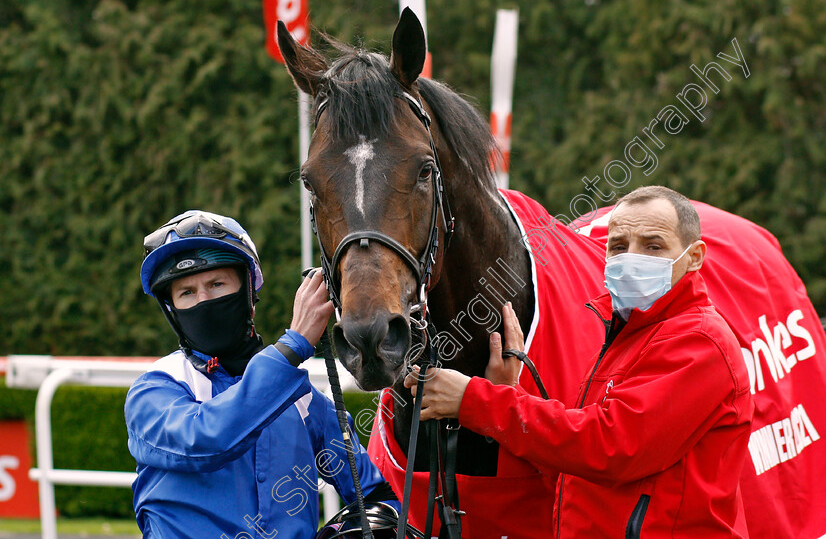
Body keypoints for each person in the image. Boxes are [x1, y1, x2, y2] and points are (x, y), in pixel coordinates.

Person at [406, 186, 754, 538]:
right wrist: (507, 393)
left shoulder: (700, 341)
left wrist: (476, 401)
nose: (631, 258)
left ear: (694, 257)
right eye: (618, 246)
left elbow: (610, 447)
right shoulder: (625, 334)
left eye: (653, 246)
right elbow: (572, 463)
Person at [126, 210, 400, 539]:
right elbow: (207, 440)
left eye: (216, 284)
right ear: (171, 309)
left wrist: (367, 525)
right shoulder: (153, 390)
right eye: (187, 292)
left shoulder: (306, 401)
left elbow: (375, 495)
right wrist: (293, 346)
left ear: (249, 296)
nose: (203, 300)